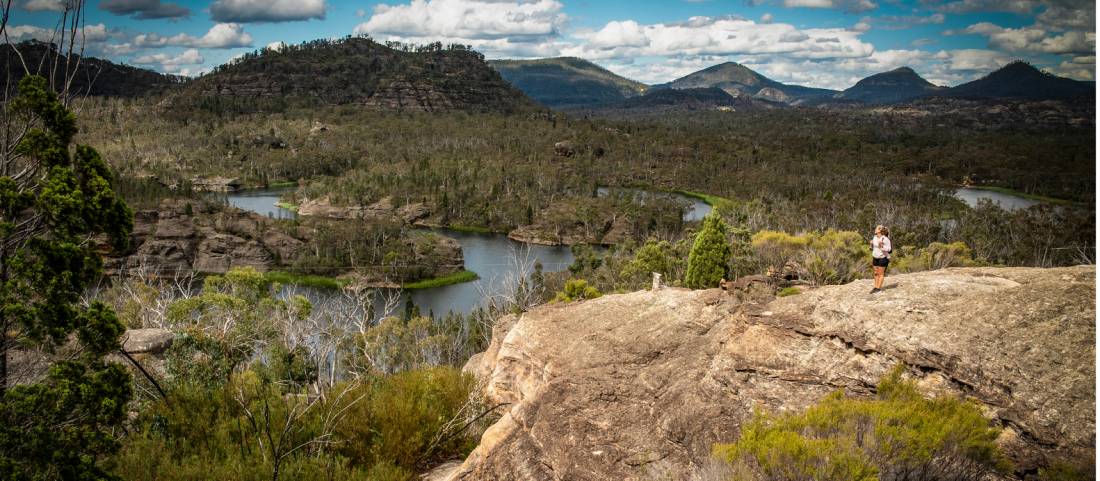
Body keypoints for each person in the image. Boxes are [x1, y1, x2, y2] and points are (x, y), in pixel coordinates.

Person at [870, 225, 891, 293]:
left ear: (880, 230)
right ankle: (875, 287)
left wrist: (882, 246)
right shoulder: (874, 237)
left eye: (876, 228)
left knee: (880, 274)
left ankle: (878, 288)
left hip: (883, 258)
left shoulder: (885, 239)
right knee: (876, 273)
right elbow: (873, 247)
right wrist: (871, 245)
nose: (875, 229)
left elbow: (889, 249)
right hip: (875, 257)